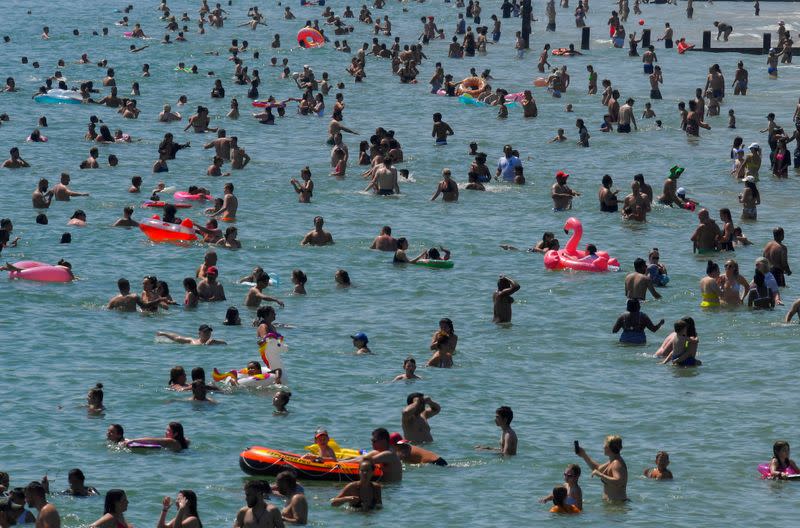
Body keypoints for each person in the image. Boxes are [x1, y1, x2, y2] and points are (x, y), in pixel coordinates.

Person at [576, 435, 628, 502]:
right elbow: (597, 469)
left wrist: (601, 475)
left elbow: (618, 481)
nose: (603, 447)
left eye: (605, 445)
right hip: (612, 504)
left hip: (617, 505)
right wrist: (583, 455)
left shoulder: (616, 463)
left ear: (610, 447)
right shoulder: (612, 461)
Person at [124, 422, 190, 452]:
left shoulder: (172, 441)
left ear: (175, 434)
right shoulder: (185, 441)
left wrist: (133, 440)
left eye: (168, 431)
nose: (165, 432)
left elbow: (151, 440)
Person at [156, 324, 226, 345]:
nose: (207, 333)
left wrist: (214, 341)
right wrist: (164, 333)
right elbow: (176, 338)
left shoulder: (213, 342)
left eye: (209, 332)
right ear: (199, 333)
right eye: (205, 332)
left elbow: (225, 343)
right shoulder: (192, 341)